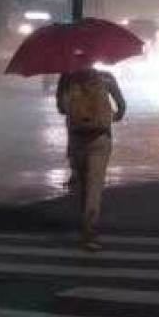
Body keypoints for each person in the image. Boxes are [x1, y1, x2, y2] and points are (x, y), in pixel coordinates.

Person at [56, 66, 127, 248]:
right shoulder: (107, 77)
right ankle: (89, 232)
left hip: (77, 139)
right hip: (101, 138)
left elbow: (62, 109)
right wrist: (111, 116)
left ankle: (84, 224)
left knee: (82, 184)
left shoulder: (67, 77)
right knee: (94, 187)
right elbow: (122, 107)